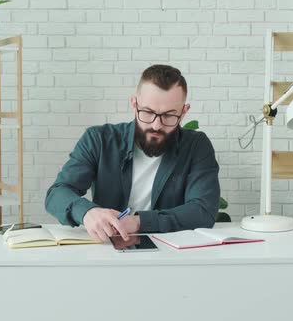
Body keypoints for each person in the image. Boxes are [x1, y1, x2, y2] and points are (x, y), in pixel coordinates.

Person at [45, 64, 220, 242]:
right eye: (148, 112)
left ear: (184, 112)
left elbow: (203, 210)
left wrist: (138, 222)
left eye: (169, 115)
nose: (156, 125)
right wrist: (87, 212)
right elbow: (57, 193)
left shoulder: (196, 146)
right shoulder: (98, 139)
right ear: (134, 104)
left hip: (171, 252)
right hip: (106, 249)